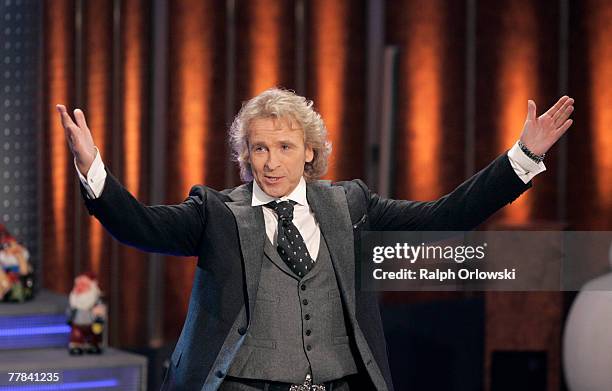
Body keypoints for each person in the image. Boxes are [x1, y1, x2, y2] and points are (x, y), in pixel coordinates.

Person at [56, 88, 574, 391]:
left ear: (309, 151)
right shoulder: (216, 213)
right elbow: (139, 225)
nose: (271, 161)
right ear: (246, 155)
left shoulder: (351, 205)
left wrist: (521, 159)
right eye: (259, 149)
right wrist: (92, 169)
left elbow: (446, 215)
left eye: (284, 146)